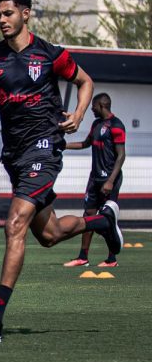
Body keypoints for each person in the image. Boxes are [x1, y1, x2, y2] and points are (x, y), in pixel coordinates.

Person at [0, 0, 122, 342]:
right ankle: (103, 220)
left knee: (15, 223)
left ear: (26, 13)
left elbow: (85, 82)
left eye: (8, 13)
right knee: (49, 235)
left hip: (45, 147)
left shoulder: (50, 54)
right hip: (15, 154)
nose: (2, 20)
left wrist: (79, 114)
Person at [63, 93, 126, 268]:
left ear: (102, 105)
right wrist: (64, 146)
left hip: (109, 180)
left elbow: (121, 156)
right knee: (89, 216)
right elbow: (85, 143)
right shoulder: (96, 124)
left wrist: (110, 181)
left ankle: (112, 259)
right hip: (94, 178)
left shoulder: (116, 125)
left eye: (94, 106)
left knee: (107, 218)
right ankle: (83, 257)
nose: (91, 109)